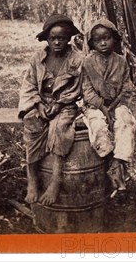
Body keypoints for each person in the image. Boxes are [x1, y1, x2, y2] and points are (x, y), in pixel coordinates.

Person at [18, 15, 84, 205]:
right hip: (40, 101)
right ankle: (32, 180)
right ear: (46, 38)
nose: (57, 42)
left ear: (69, 38)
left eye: (62, 38)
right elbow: (29, 84)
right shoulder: (38, 59)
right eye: (53, 38)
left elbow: (77, 88)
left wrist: (60, 104)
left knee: (60, 127)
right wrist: (38, 104)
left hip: (65, 104)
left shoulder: (77, 60)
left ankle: (55, 181)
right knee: (31, 123)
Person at [81, 19, 136, 191]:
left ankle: (118, 162)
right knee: (98, 126)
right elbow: (87, 90)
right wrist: (103, 108)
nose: (103, 43)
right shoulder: (88, 63)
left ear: (114, 39)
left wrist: (114, 107)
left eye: (107, 38)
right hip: (95, 106)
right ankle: (109, 161)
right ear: (92, 43)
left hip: (117, 103)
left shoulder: (121, 61)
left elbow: (127, 87)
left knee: (125, 122)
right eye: (98, 40)